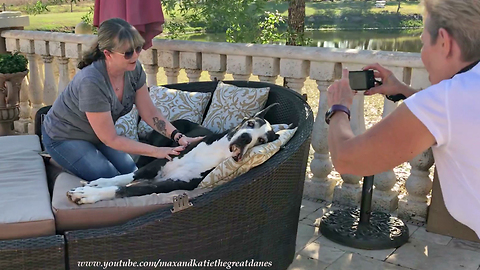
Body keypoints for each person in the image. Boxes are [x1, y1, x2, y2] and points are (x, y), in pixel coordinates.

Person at [325, 0, 480, 237]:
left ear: (444, 42)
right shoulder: (461, 94)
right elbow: (459, 114)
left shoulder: (446, 101)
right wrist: (403, 91)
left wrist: (338, 106)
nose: (422, 53)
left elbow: (348, 160)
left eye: (423, 43)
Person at [42, 18, 202, 182]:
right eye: (127, 53)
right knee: (113, 178)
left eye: (138, 48)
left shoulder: (133, 69)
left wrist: (179, 137)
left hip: (98, 136)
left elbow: (149, 112)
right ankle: (58, 161)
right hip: (63, 137)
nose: (135, 55)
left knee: (132, 173)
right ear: (107, 54)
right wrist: (157, 151)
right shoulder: (91, 81)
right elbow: (110, 139)